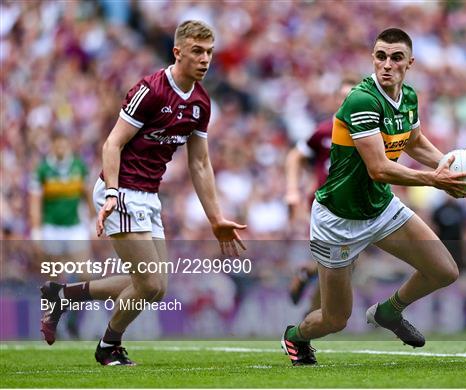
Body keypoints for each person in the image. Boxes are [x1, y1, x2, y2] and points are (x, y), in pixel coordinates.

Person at [40, 20, 246, 366]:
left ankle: (62, 295)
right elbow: (113, 143)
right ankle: (108, 346)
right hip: (119, 190)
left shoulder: (201, 103)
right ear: (177, 52)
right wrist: (111, 194)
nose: (205, 59)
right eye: (197, 51)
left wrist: (216, 219)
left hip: (149, 195)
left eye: (209, 52)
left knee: (155, 286)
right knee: (148, 284)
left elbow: (200, 164)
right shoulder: (151, 90)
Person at [281, 28, 466, 366]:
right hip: (337, 220)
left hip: (381, 208)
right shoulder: (361, 99)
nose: (387, 64)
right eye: (380, 56)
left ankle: (389, 312)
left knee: (445, 271)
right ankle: (295, 336)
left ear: (409, 63)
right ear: (373, 58)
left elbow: (413, 142)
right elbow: (379, 169)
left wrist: (449, 165)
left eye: (396, 57)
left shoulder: (409, 97)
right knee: (334, 319)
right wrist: (435, 179)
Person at [285, 77, 357, 312]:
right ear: (336, 101)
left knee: (343, 264)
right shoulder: (324, 131)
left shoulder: (365, 135)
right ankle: (313, 316)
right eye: (343, 97)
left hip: (352, 206)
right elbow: (296, 156)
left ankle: (312, 307)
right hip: (327, 205)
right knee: (340, 261)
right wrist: (294, 191)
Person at [30, 132, 95, 338]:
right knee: (53, 278)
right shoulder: (43, 169)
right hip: (51, 228)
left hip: (75, 227)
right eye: (56, 144)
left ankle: (73, 319)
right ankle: (54, 322)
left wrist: (94, 221)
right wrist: (36, 230)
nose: (60, 148)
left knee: (86, 274)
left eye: (63, 144)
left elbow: (87, 194)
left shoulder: (78, 166)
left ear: (68, 145)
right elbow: (35, 202)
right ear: (52, 146)